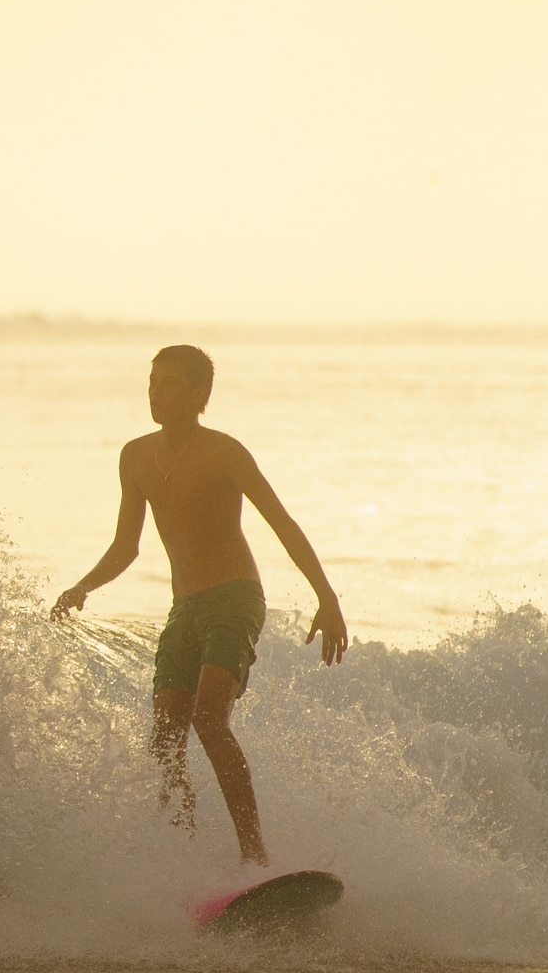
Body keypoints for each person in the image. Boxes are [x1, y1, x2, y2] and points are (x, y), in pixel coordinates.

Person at [52, 345, 348, 867]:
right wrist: (83, 586)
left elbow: (283, 523)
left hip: (235, 598)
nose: (155, 392)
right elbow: (127, 546)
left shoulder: (225, 453)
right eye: (152, 382)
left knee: (210, 719)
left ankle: (254, 857)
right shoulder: (135, 456)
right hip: (184, 608)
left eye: (168, 383)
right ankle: (184, 857)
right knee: (165, 738)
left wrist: (327, 597)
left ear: (199, 394)